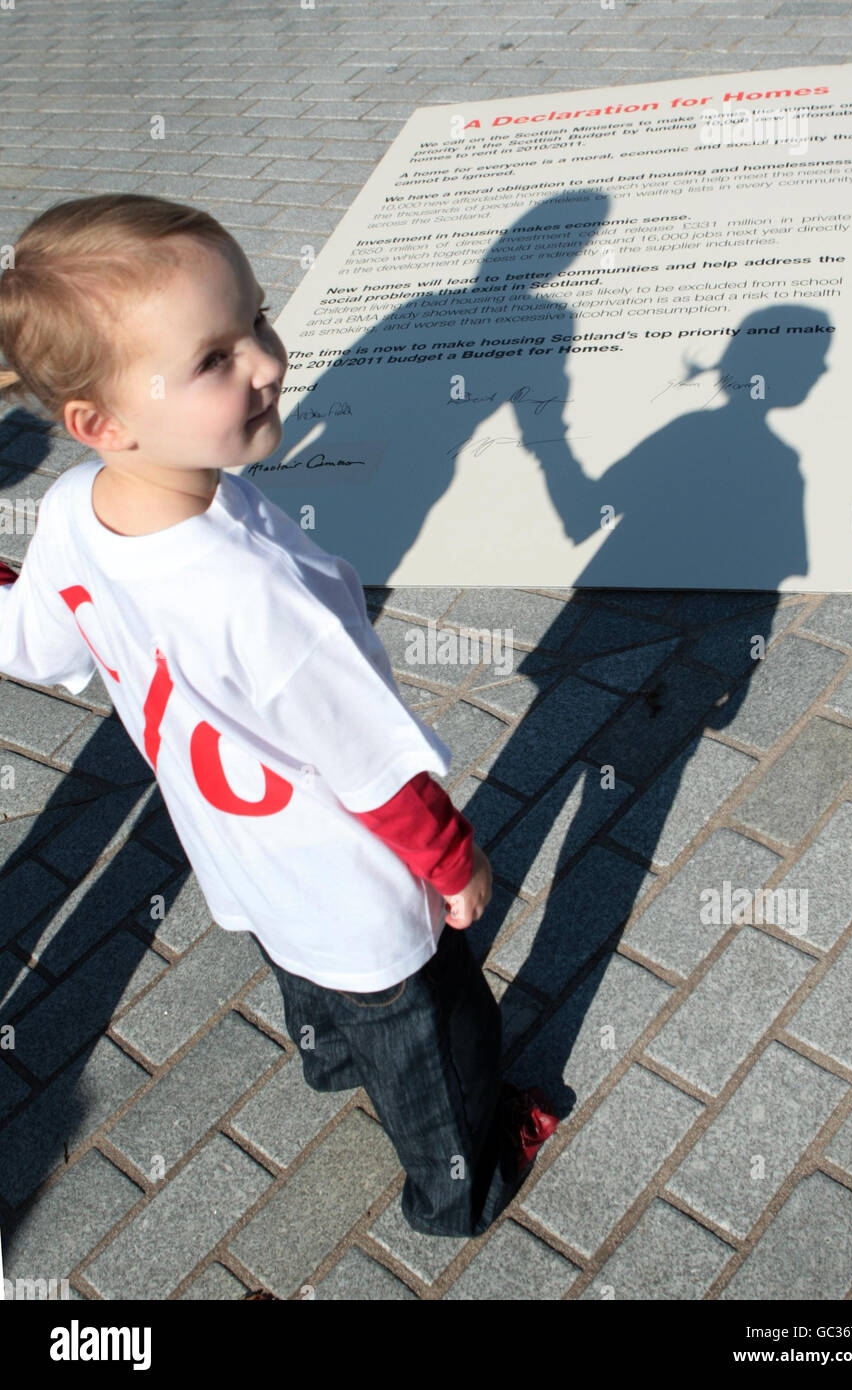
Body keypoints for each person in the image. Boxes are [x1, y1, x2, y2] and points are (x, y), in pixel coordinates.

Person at [0, 193, 557, 1240]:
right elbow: (366, 759)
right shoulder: (257, 587)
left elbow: (33, 639)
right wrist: (452, 859)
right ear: (101, 421)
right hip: (350, 872)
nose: (269, 359)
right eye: (216, 357)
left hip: (241, 856)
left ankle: (327, 1054)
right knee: (437, 1034)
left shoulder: (75, 508)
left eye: (256, 318)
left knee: (303, 967)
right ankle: (461, 1181)